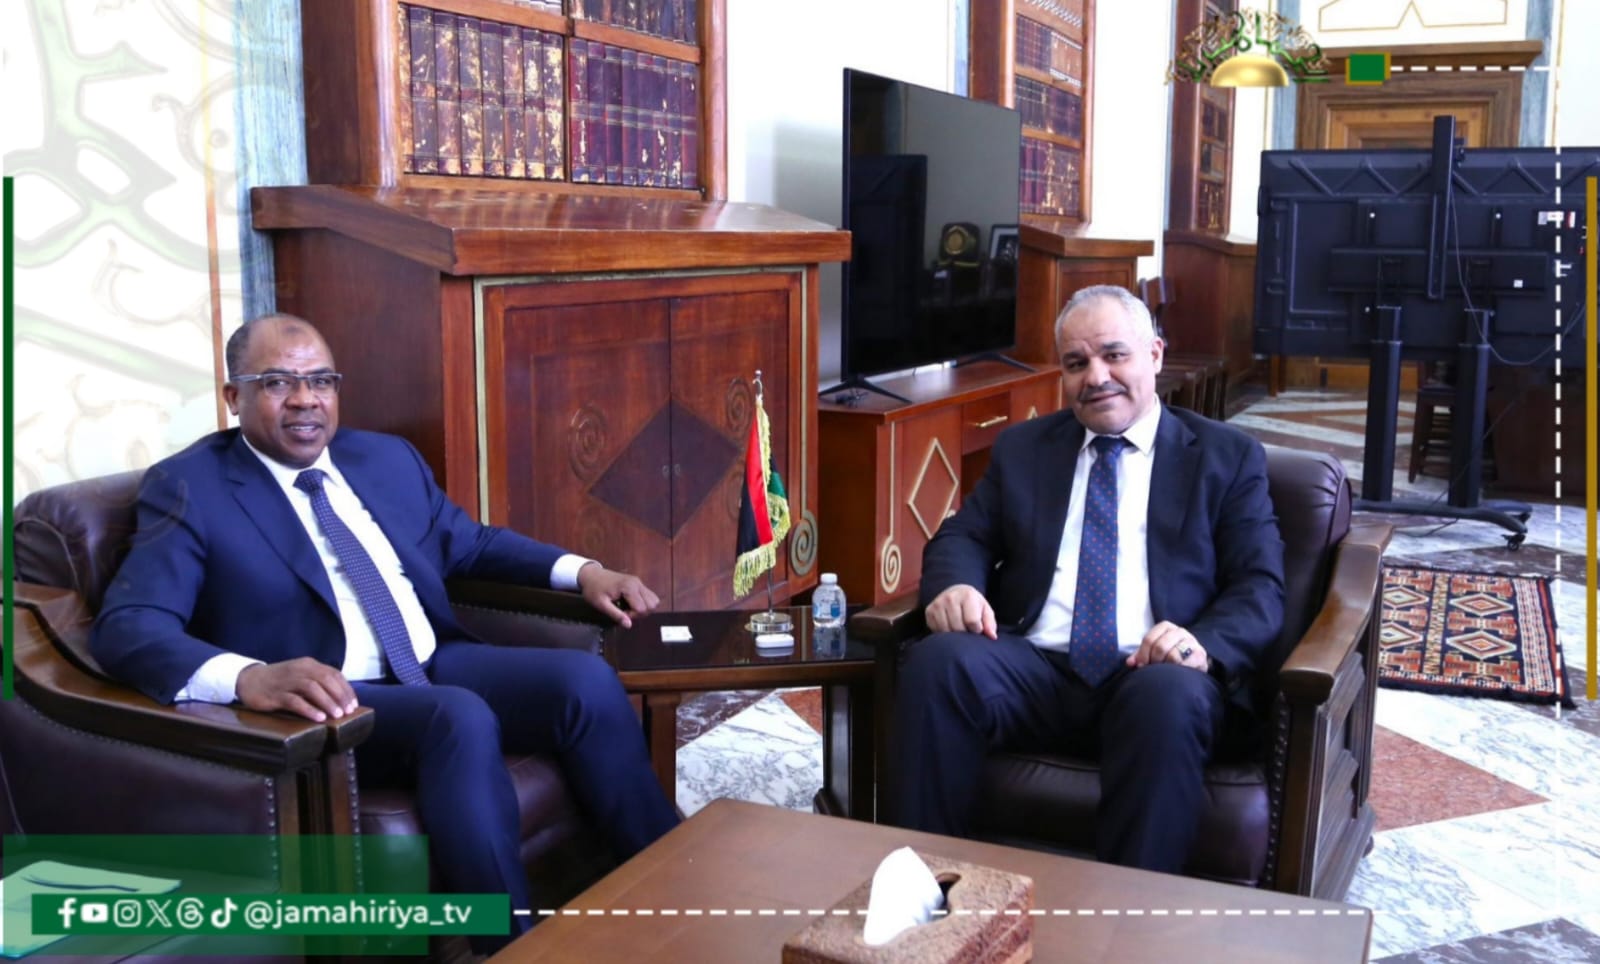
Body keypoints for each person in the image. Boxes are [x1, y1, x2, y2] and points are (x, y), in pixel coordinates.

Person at [92, 313, 679, 951]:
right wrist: (249, 678)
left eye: (322, 381)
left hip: (429, 659)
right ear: (234, 396)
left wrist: (583, 571)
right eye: (278, 382)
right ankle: (512, 946)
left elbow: (470, 544)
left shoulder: (382, 458)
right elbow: (130, 625)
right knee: (456, 717)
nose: (305, 399)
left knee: (584, 681)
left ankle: (671, 886)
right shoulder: (191, 487)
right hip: (334, 703)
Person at [887, 285, 1284, 873]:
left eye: (1114, 355)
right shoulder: (1025, 447)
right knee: (939, 662)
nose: (1096, 377)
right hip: (1035, 667)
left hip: (1152, 670)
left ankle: (1125, 914)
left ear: (1155, 354)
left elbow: (1259, 586)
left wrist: (1200, 644)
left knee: (1169, 697)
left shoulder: (1227, 457)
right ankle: (927, 892)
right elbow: (963, 535)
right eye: (1076, 363)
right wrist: (956, 587)